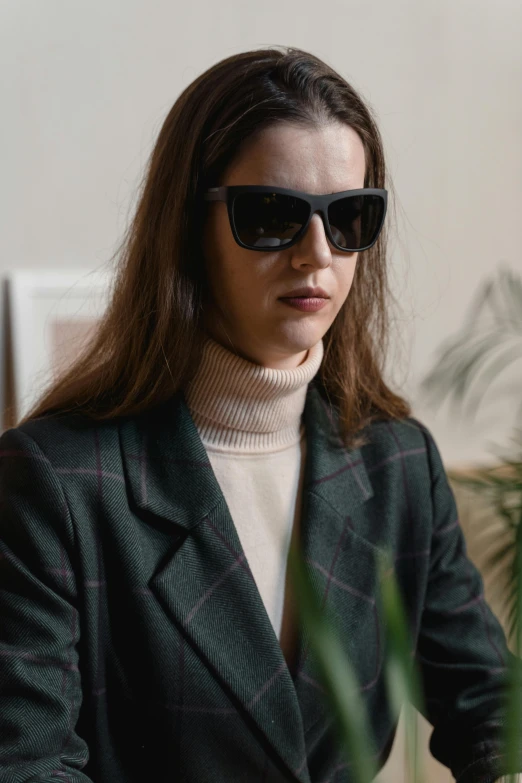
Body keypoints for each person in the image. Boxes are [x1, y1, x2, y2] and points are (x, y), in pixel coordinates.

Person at [0, 45, 520, 783]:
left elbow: (493, 705)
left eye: (350, 218)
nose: (318, 253)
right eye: (273, 215)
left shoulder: (399, 462)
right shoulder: (56, 482)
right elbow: (26, 764)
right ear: (189, 228)